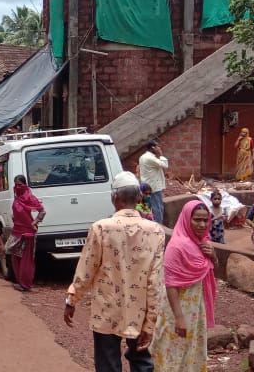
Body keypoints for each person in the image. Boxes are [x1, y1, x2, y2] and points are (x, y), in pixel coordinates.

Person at [64, 172, 164, 372]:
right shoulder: (155, 231)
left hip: (106, 309)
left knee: (107, 363)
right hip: (140, 310)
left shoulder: (101, 228)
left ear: (114, 198)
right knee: (142, 361)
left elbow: (86, 269)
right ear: (139, 197)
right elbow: (156, 280)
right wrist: (151, 321)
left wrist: (72, 300)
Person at [151, 200, 218, 371]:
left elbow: (208, 270)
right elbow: (171, 283)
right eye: (197, 220)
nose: (202, 224)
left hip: (195, 308)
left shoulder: (203, 243)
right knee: (173, 354)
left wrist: (214, 256)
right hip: (177, 308)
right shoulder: (177, 246)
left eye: (206, 220)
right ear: (187, 219)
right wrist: (179, 317)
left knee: (192, 353)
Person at [6, 175, 45, 292]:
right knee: (14, 254)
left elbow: (42, 211)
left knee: (26, 259)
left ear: (25, 185)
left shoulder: (30, 197)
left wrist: (35, 221)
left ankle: (26, 284)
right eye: (16, 185)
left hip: (28, 232)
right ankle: (20, 281)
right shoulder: (17, 197)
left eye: (20, 185)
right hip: (17, 231)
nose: (17, 187)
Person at [138, 140, 169, 223]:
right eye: (157, 146)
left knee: (146, 208)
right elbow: (165, 165)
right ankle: (159, 226)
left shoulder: (143, 157)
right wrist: (161, 154)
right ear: (152, 148)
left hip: (146, 186)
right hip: (154, 188)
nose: (159, 148)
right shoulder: (150, 158)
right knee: (158, 208)